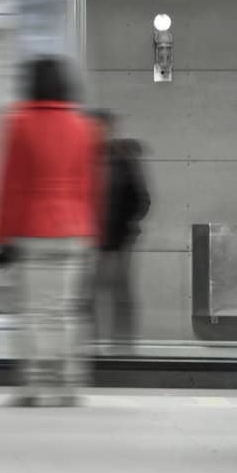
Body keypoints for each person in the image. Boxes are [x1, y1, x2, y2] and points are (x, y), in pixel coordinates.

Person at [0, 57, 100, 407]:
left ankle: (34, 385)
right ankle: (68, 384)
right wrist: (89, 231)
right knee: (65, 310)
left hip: (33, 228)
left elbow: (10, 185)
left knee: (33, 311)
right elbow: (89, 185)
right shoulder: (84, 126)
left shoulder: (18, 122)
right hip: (74, 229)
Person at [95, 114, 150, 353]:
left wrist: (127, 225)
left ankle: (123, 346)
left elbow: (141, 199)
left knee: (119, 290)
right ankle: (92, 345)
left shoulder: (124, 160)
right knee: (89, 293)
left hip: (119, 238)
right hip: (91, 239)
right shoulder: (84, 159)